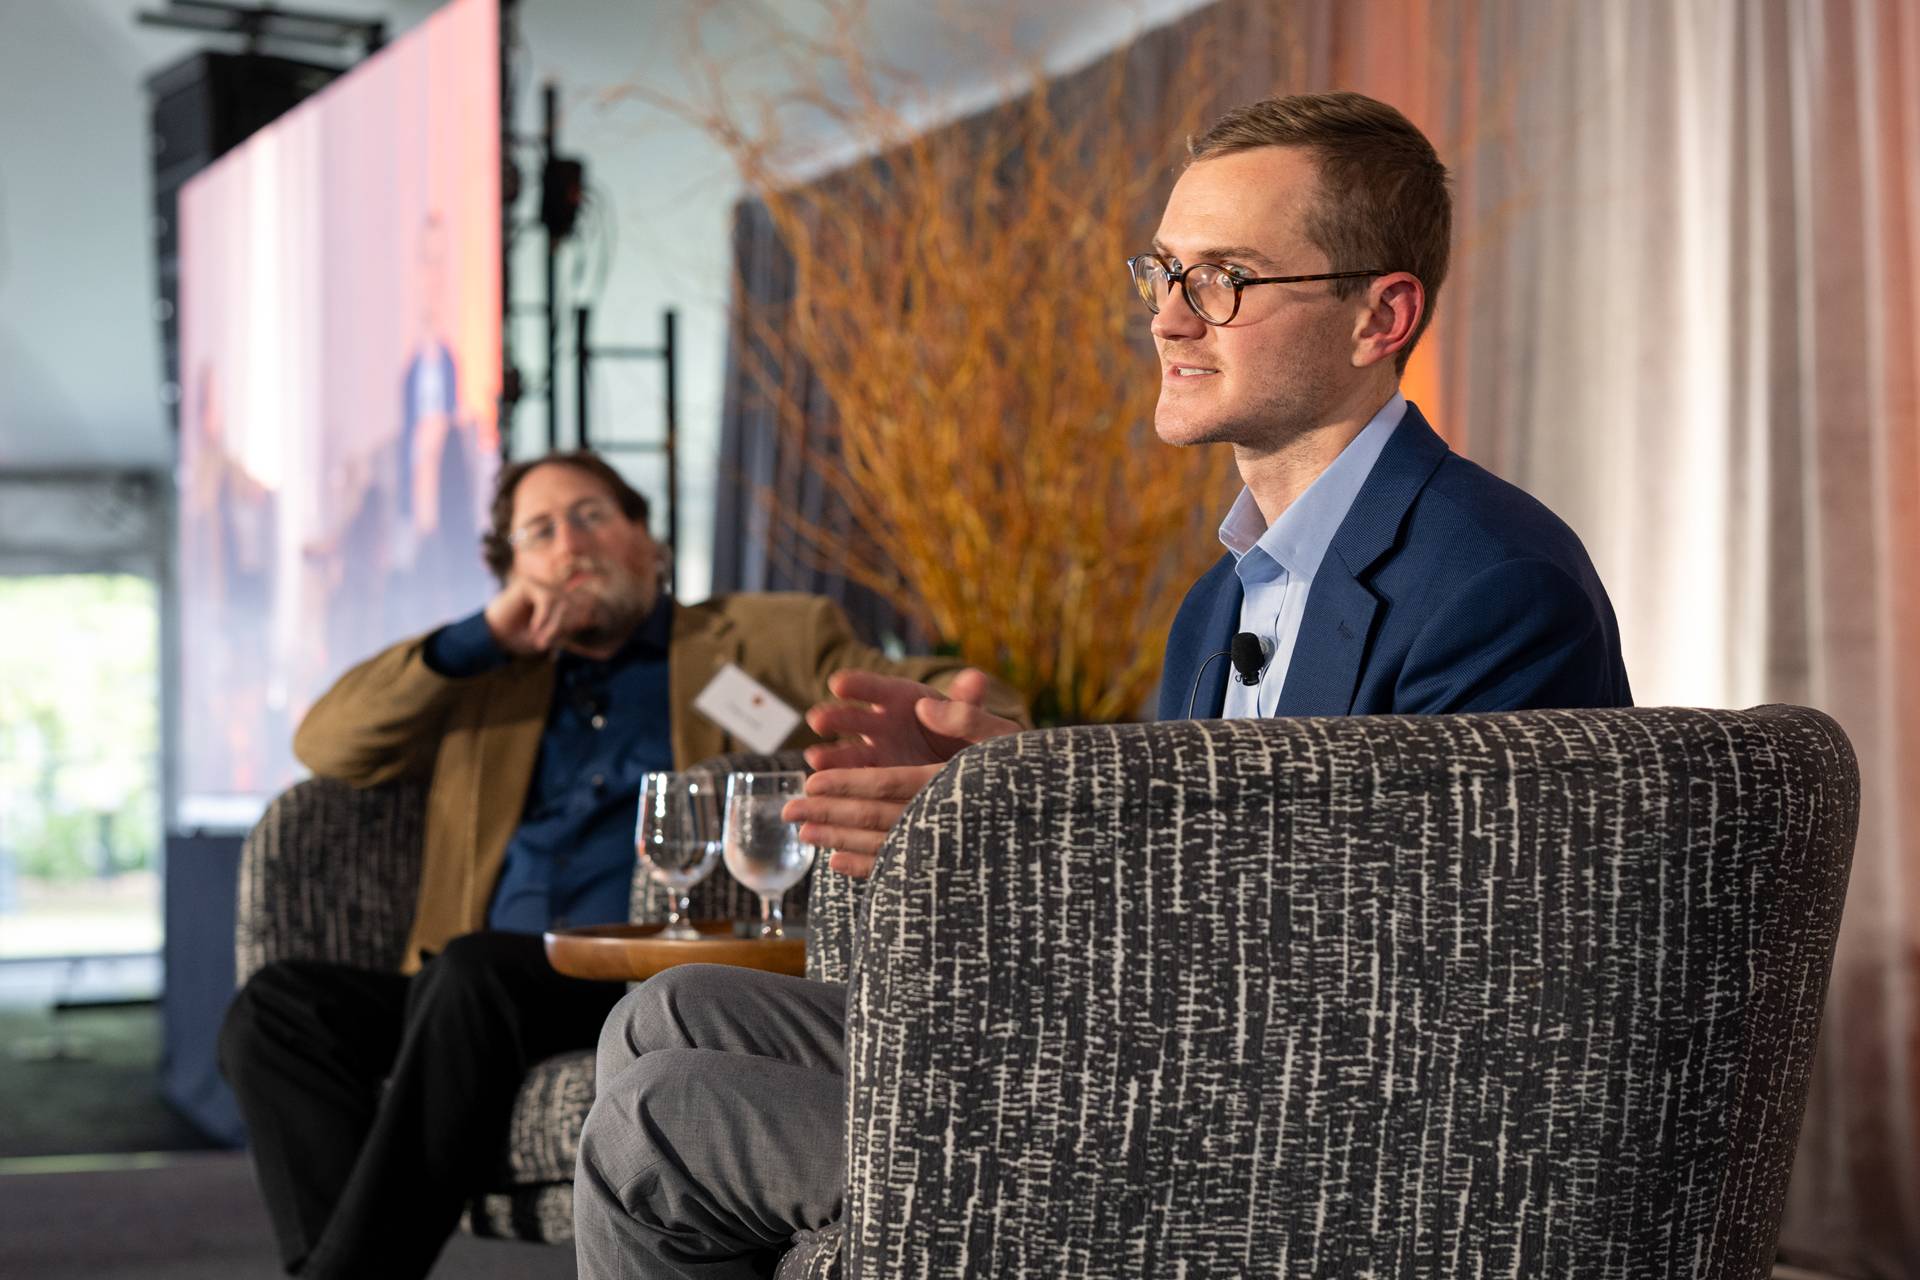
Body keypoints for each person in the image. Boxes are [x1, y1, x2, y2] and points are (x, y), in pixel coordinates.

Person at [572, 92, 1633, 1278]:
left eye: (1226, 276)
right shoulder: (1219, 602)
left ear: (1380, 315)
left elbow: (1410, 981)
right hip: (1183, 1069)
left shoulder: (1492, 584)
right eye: (1164, 272)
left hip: (1310, 1146)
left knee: (659, 1118)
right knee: (673, 1013)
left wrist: (1038, 840)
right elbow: (1202, 867)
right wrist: (1016, 792)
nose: (1171, 318)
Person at [217, 449, 1014, 1280]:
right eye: (541, 531)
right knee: (275, 1009)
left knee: (472, 971)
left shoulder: (764, 640)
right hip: (480, 992)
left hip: (647, 971)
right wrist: (479, 638)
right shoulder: (488, 676)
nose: (572, 545)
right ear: (514, 568)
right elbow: (324, 743)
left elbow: (956, 707)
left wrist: (961, 720)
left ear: (648, 541)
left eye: (593, 517)